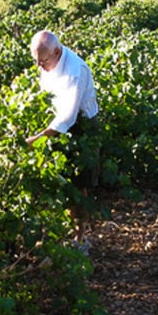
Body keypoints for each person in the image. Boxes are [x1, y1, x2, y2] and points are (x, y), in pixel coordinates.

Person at [25, 30, 100, 253]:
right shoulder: (48, 60)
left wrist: (37, 139)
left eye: (43, 61)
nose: (39, 66)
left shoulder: (75, 72)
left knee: (79, 186)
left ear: (57, 52)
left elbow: (67, 117)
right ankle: (55, 235)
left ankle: (80, 240)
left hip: (81, 128)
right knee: (52, 180)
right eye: (36, 61)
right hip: (52, 122)